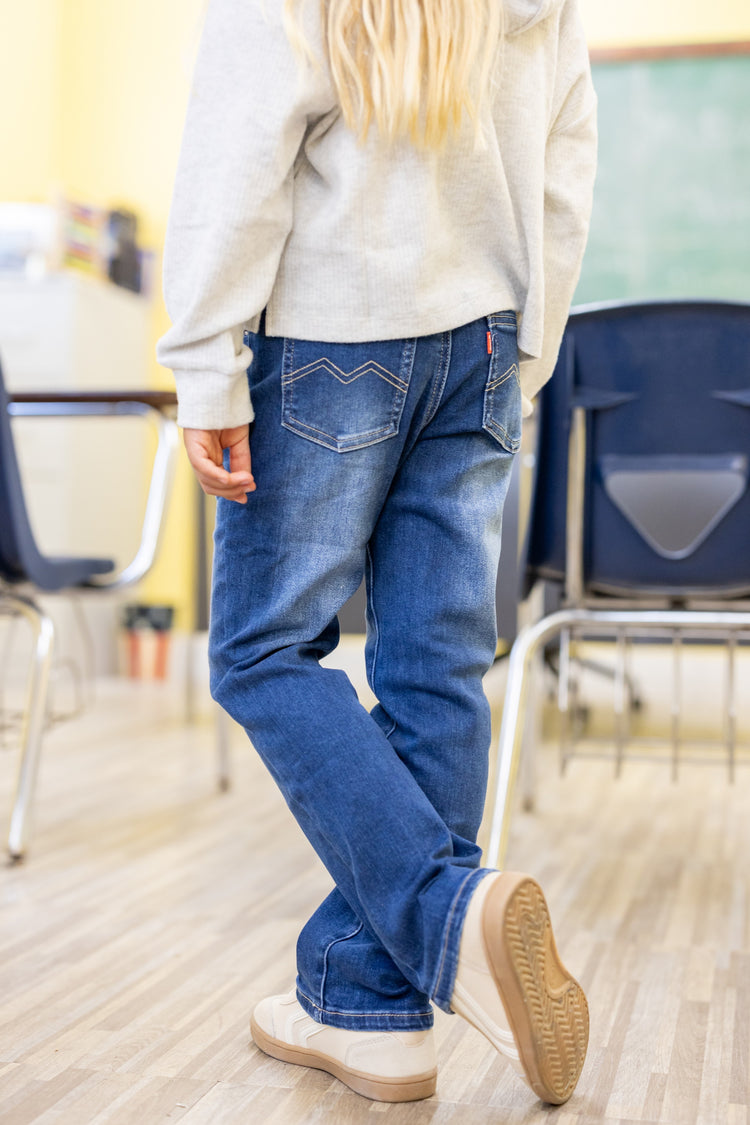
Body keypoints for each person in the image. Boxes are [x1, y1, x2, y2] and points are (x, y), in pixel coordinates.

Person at [157, 0, 597, 1106]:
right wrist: (527, 348)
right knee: (434, 667)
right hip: (486, 336)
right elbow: (566, 154)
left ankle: (448, 918)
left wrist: (207, 363)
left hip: (331, 335)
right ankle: (369, 1008)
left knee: (259, 652)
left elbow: (241, 146)